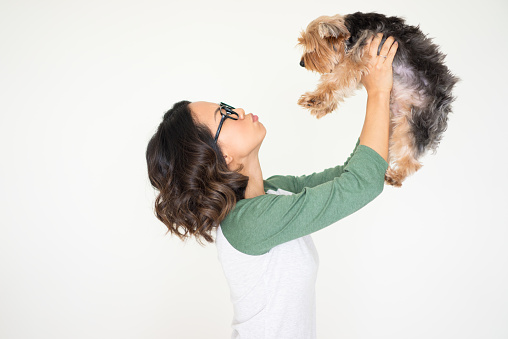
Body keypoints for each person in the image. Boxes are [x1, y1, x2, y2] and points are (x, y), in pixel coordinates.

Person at [146, 33, 398, 339]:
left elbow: (353, 173)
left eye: (227, 105)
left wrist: (386, 97)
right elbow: (362, 184)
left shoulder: (273, 191)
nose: (236, 109)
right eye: (224, 115)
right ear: (221, 154)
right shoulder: (249, 222)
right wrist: (378, 92)